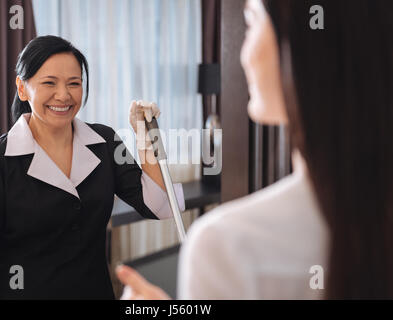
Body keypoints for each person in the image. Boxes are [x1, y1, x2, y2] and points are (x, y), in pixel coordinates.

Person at [116, 0, 393, 299]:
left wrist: (145, 137)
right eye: (54, 81)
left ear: (302, 46)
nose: (242, 53)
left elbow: (159, 203)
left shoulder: (227, 245)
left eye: (249, 24)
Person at [0, 35, 185, 300]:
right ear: (22, 88)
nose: (64, 95)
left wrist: (144, 135)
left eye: (74, 83)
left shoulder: (104, 143)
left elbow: (159, 204)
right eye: (49, 83)